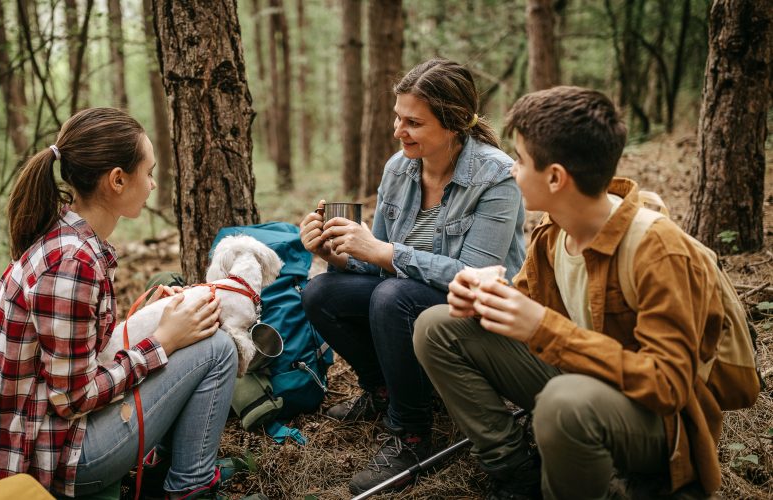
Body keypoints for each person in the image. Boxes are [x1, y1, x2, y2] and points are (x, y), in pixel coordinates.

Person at [414, 86, 727, 499]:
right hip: (573, 387)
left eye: (521, 161)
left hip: (655, 427)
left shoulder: (657, 250)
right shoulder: (551, 234)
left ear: (556, 177)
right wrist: (484, 300)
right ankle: (516, 473)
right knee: (437, 326)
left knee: (565, 403)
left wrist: (542, 328)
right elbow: (530, 306)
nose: (511, 171)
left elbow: (667, 385)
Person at [0, 108, 237, 499]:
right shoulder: (73, 264)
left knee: (192, 329)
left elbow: (76, 353)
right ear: (118, 180)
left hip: (55, 439)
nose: (152, 184)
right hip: (56, 464)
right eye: (148, 172)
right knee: (216, 350)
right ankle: (191, 488)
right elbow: (73, 399)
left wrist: (150, 317)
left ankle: (164, 471)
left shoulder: (68, 237)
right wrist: (162, 342)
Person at [299, 58, 526, 494]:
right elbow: (376, 261)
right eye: (398, 117)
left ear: (454, 123)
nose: (398, 131)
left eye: (413, 122)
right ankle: (383, 390)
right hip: (405, 300)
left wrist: (386, 252)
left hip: (474, 312)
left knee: (393, 296)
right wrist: (338, 253)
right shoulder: (399, 168)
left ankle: (412, 434)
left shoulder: (497, 177)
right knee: (321, 292)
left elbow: (475, 275)